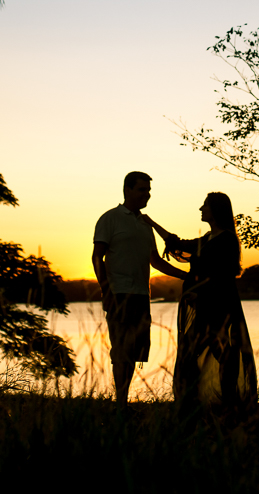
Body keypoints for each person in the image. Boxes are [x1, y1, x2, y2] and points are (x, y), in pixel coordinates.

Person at [142, 192, 257, 412]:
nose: (200, 209)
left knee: (219, 352)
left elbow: (224, 275)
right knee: (200, 352)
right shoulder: (206, 239)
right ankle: (196, 401)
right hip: (204, 305)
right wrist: (152, 223)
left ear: (215, 209)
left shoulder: (227, 240)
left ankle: (224, 402)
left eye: (204, 206)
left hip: (220, 304)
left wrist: (201, 293)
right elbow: (178, 244)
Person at [92, 171, 186, 406]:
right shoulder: (110, 218)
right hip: (118, 293)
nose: (147, 194)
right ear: (128, 190)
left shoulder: (145, 225)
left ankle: (122, 400)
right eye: (142, 189)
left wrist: (188, 276)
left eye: (148, 190)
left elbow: (156, 262)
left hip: (142, 295)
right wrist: (106, 290)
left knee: (135, 350)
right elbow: (97, 257)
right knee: (121, 349)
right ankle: (121, 402)